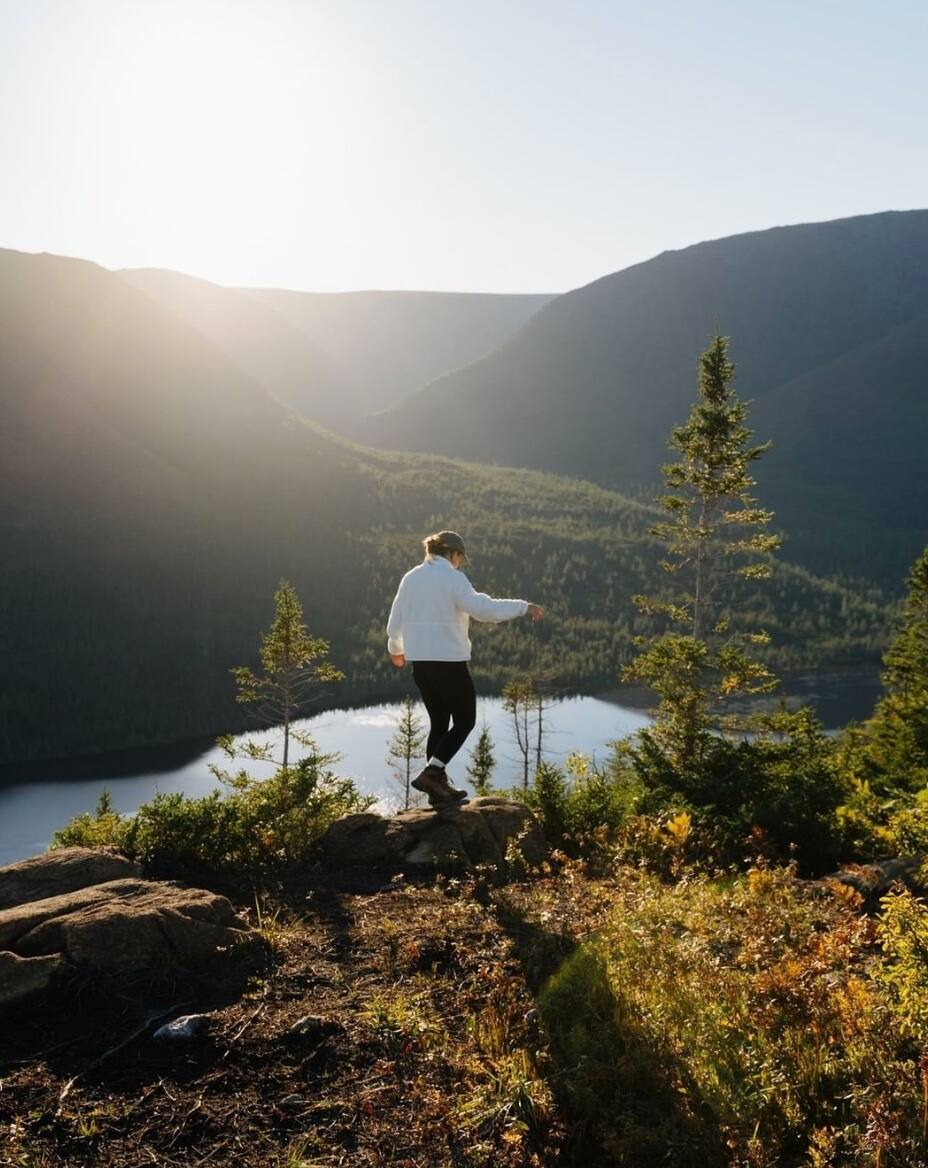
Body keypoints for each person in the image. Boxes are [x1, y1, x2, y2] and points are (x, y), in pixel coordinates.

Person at [386, 530, 543, 806]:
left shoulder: (410, 578)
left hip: (421, 665)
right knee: (464, 721)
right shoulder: (453, 578)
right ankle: (434, 774)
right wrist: (523, 607)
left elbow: (395, 620)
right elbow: (483, 609)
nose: (460, 563)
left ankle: (436, 787)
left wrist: (395, 649)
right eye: (460, 558)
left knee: (439, 721)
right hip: (449, 663)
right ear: (452, 554)